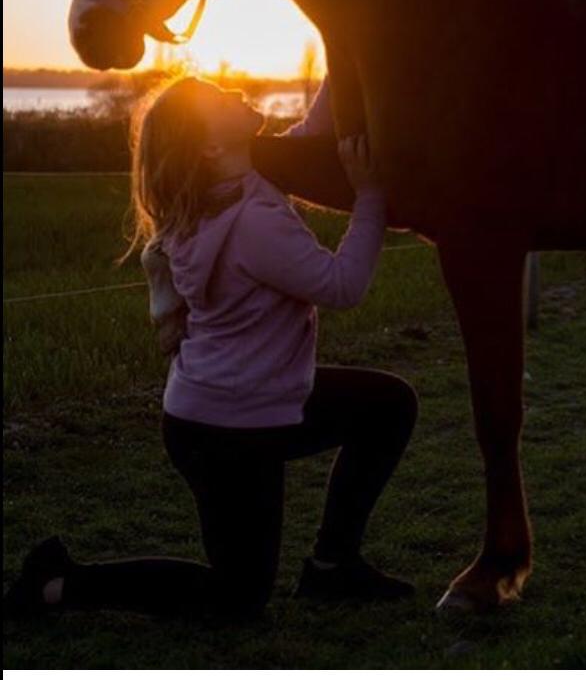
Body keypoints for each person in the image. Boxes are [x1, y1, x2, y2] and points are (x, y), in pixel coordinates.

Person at [4, 76, 418, 621]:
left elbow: (312, 128)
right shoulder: (251, 222)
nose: (235, 94)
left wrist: (345, 50)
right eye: (219, 101)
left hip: (249, 404)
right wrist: (370, 197)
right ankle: (59, 584)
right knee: (238, 597)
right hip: (227, 432)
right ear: (210, 145)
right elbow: (344, 287)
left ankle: (333, 566)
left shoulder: (228, 189)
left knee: (386, 405)